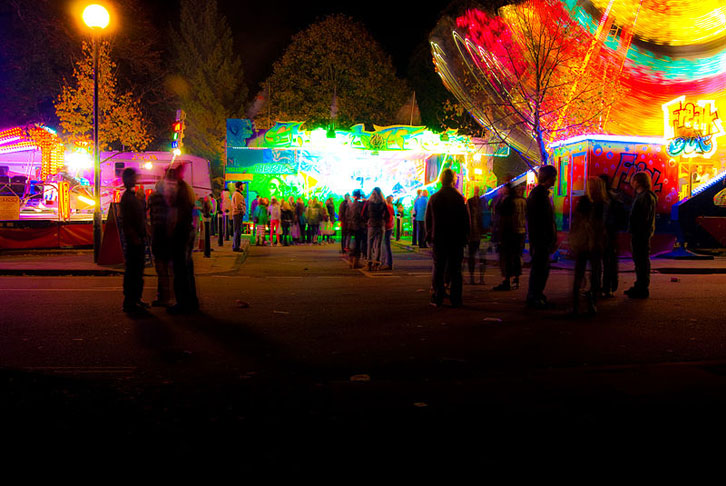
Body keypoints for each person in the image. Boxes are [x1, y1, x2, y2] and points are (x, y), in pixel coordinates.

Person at [425, 169, 469, 307]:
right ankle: (456, 299)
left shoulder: (435, 197)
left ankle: (438, 296)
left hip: (439, 237)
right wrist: (465, 236)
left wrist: (429, 235)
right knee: (456, 269)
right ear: (453, 180)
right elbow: (465, 220)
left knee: (439, 267)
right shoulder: (459, 198)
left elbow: (428, 219)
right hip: (456, 238)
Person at [569, 177, 608, 315]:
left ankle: (584, 302)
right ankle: (583, 302)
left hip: (591, 242)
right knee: (588, 272)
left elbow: (577, 222)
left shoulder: (590, 203)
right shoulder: (601, 204)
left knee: (590, 272)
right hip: (589, 242)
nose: (590, 189)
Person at [167, 165, 199, 315]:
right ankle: (191, 301)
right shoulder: (186, 189)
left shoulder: (181, 189)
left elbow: (178, 213)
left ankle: (183, 303)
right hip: (186, 232)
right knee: (186, 269)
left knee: (180, 270)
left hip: (182, 233)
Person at [526, 165, 558, 309]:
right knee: (540, 268)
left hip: (541, 238)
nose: (555, 180)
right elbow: (540, 219)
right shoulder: (539, 195)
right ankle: (534, 295)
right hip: (540, 239)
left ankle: (537, 294)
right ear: (548, 177)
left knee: (541, 268)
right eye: (554, 177)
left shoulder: (541, 194)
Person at [625, 171, 658, 298]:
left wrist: (637, 229)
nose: (631, 183)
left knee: (641, 260)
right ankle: (639, 285)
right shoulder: (645, 196)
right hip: (641, 232)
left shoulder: (645, 197)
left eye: (633, 180)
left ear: (638, 182)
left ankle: (642, 287)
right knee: (640, 260)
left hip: (641, 233)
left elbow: (643, 217)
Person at [119, 168, 148, 314]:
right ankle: (130, 301)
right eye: (133, 177)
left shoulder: (132, 196)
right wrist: (133, 237)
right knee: (133, 270)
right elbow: (127, 221)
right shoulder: (127, 198)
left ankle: (136, 298)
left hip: (138, 237)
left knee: (138, 270)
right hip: (134, 239)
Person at [494, 184, 526, 290]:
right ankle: (516, 279)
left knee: (507, 257)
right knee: (517, 256)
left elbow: (503, 216)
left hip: (510, 232)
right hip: (521, 231)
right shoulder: (523, 201)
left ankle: (507, 280)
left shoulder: (509, 201)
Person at [599, 174, 627, 297]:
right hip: (611, 233)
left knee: (603, 261)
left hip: (605, 234)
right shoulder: (615, 198)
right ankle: (609, 286)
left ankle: (605, 287)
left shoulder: (602, 199)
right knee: (610, 261)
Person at [148, 181, 171, 307]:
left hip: (157, 234)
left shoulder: (153, 197)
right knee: (166, 267)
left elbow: (148, 212)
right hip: (167, 235)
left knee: (160, 266)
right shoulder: (169, 198)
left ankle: (162, 296)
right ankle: (166, 295)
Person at [466, 186, 486, 285]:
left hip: (476, 233)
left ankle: (476, 278)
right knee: (475, 256)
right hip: (476, 234)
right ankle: (475, 278)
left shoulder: (480, 202)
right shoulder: (482, 202)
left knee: (474, 256)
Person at [346, 189, 365, 269]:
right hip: (357, 226)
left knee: (352, 244)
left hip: (351, 226)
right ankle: (355, 263)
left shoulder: (350, 204)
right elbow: (360, 215)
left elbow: (347, 214)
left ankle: (351, 262)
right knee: (357, 245)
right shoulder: (359, 205)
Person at [231, 182, 246, 252]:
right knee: (237, 230)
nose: (243, 187)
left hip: (237, 214)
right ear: (240, 186)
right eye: (242, 185)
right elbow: (238, 205)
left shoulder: (236, 194)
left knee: (237, 230)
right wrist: (242, 211)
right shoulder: (237, 194)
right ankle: (236, 246)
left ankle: (235, 245)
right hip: (238, 214)